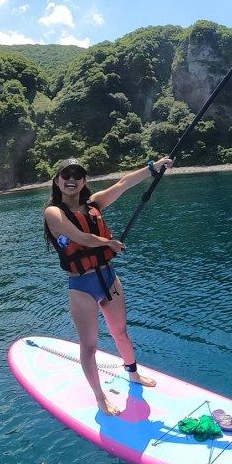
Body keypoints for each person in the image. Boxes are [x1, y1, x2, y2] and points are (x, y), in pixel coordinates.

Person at [43, 156, 174, 415]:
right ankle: (100, 398)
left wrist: (153, 167)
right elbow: (79, 237)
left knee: (121, 333)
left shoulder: (94, 204)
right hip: (81, 285)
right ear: (57, 181)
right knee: (89, 346)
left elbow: (123, 184)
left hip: (109, 278)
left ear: (84, 181)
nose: (71, 179)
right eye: (65, 175)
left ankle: (133, 375)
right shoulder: (53, 212)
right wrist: (108, 243)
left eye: (77, 175)